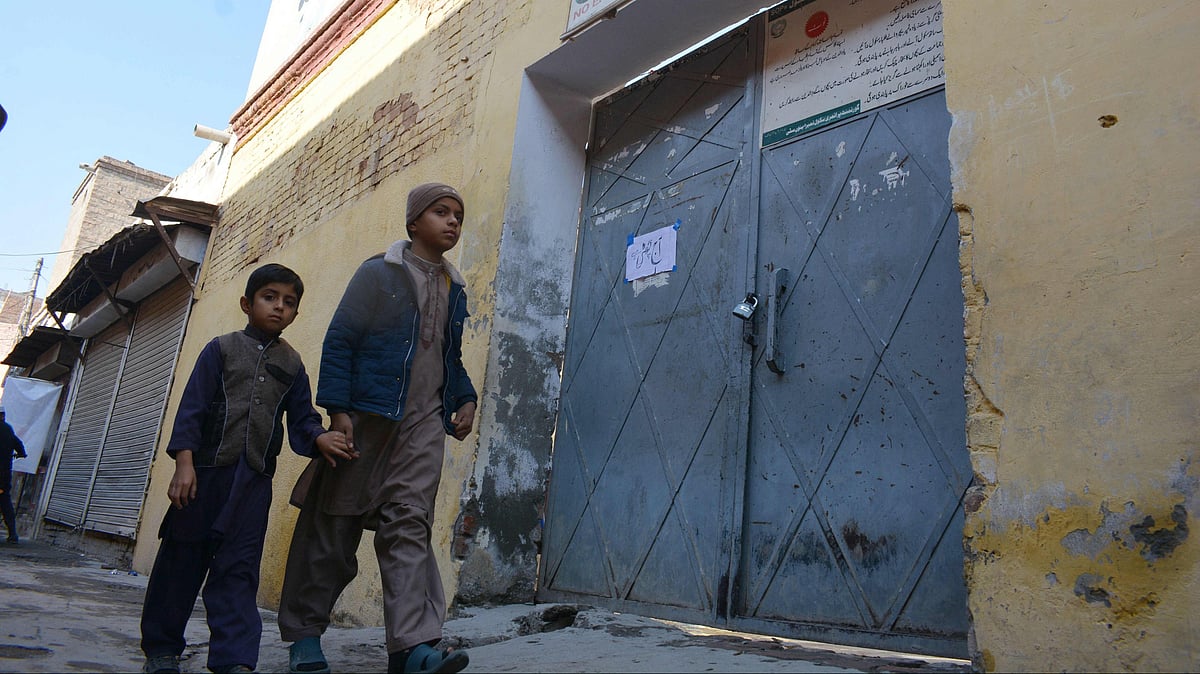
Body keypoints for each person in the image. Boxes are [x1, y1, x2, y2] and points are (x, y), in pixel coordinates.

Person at [278, 183, 478, 674]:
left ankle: (412, 648)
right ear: (414, 222)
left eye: (458, 215)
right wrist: (339, 410)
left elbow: (448, 357)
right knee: (333, 527)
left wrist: (466, 397)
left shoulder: (456, 289)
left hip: (424, 428)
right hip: (368, 419)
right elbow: (342, 338)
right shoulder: (379, 273)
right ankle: (304, 635)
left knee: (409, 526)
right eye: (440, 212)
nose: (452, 222)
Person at [139, 263, 352, 674]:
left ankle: (234, 659)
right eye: (269, 297)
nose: (279, 307)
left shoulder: (292, 365)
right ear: (247, 303)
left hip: (254, 483)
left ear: (295, 313)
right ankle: (163, 650)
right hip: (203, 477)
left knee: (238, 570)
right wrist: (184, 463)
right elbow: (192, 410)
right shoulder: (219, 349)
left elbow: (303, 419)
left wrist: (320, 437)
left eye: (289, 303)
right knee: (180, 563)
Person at [0, 406, 27, 543]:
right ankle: (12, 534)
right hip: (3, 476)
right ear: (3, 416)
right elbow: (19, 445)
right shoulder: (8, 430)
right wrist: (21, 454)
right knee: (5, 502)